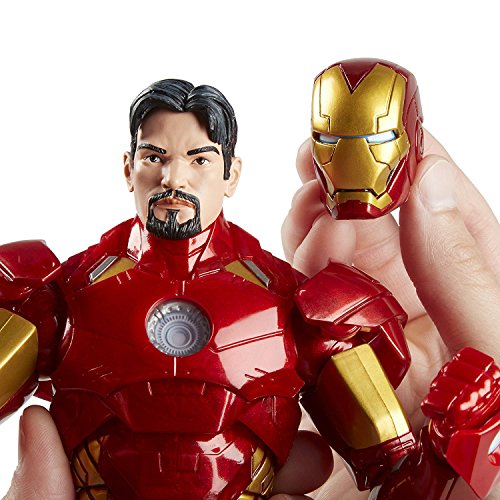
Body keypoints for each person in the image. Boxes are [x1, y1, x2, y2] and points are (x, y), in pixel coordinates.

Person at [2, 80, 499, 499]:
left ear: (231, 174)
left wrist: (462, 438)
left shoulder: (297, 305)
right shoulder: (58, 294)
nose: (174, 177)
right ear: (128, 168)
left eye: (199, 160)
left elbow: (397, 474)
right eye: (155, 157)